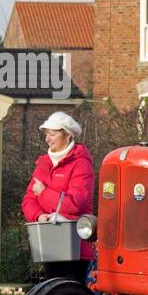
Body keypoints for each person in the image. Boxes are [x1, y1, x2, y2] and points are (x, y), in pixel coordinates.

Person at [21, 111, 94, 283]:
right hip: (49, 238)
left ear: (67, 135)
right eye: (46, 134)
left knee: (71, 293)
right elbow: (28, 200)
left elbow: (75, 204)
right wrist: (39, 216)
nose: (47, 138)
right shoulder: (43, 163)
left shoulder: (81, 164)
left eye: (52, 134)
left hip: (74, 245)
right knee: (52, 292)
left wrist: (44, 193)